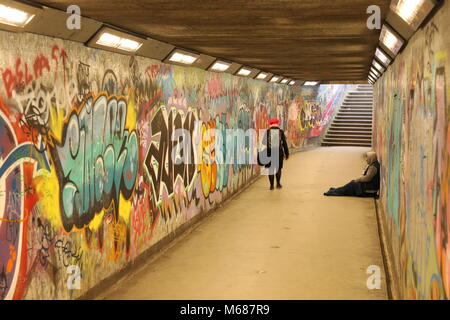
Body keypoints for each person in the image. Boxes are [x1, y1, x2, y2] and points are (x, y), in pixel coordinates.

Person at [262, 118, 289, 190]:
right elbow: (284, 144)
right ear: (277, 123)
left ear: (270, 124)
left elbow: (263, 142)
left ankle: (271, 186)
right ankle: (278, 184)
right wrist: (287, 153)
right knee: (278, 169)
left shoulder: (267, 132)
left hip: (269, 153)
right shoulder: (280, 132)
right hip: (279, 153)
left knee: (271, 169)